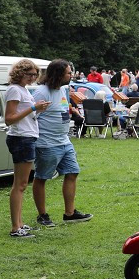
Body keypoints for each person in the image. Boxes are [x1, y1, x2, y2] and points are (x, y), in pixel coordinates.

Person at [32, 60, 93, 226]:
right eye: (68, 73)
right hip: (47, 143)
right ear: (58, 74)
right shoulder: (41, 92)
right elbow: (32, 117)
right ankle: (42, 215)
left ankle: (70, 213)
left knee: (72, 172)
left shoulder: (63, 90)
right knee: (42, 178)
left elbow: (62, 110)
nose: (71, 75)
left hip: (64, 141)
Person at [5, 60, 49, 238]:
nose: (33, 78)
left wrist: (37, 110)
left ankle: (20, 223)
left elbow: (23, 115)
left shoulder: (22, 89)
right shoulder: (15, 89)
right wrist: (33, 107)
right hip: (21, 138)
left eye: (34, 75)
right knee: (20, 185)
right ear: (20, 73)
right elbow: (9, 118)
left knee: (21, 184)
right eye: (29, 74)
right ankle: (16, 227)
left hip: (26, 136)